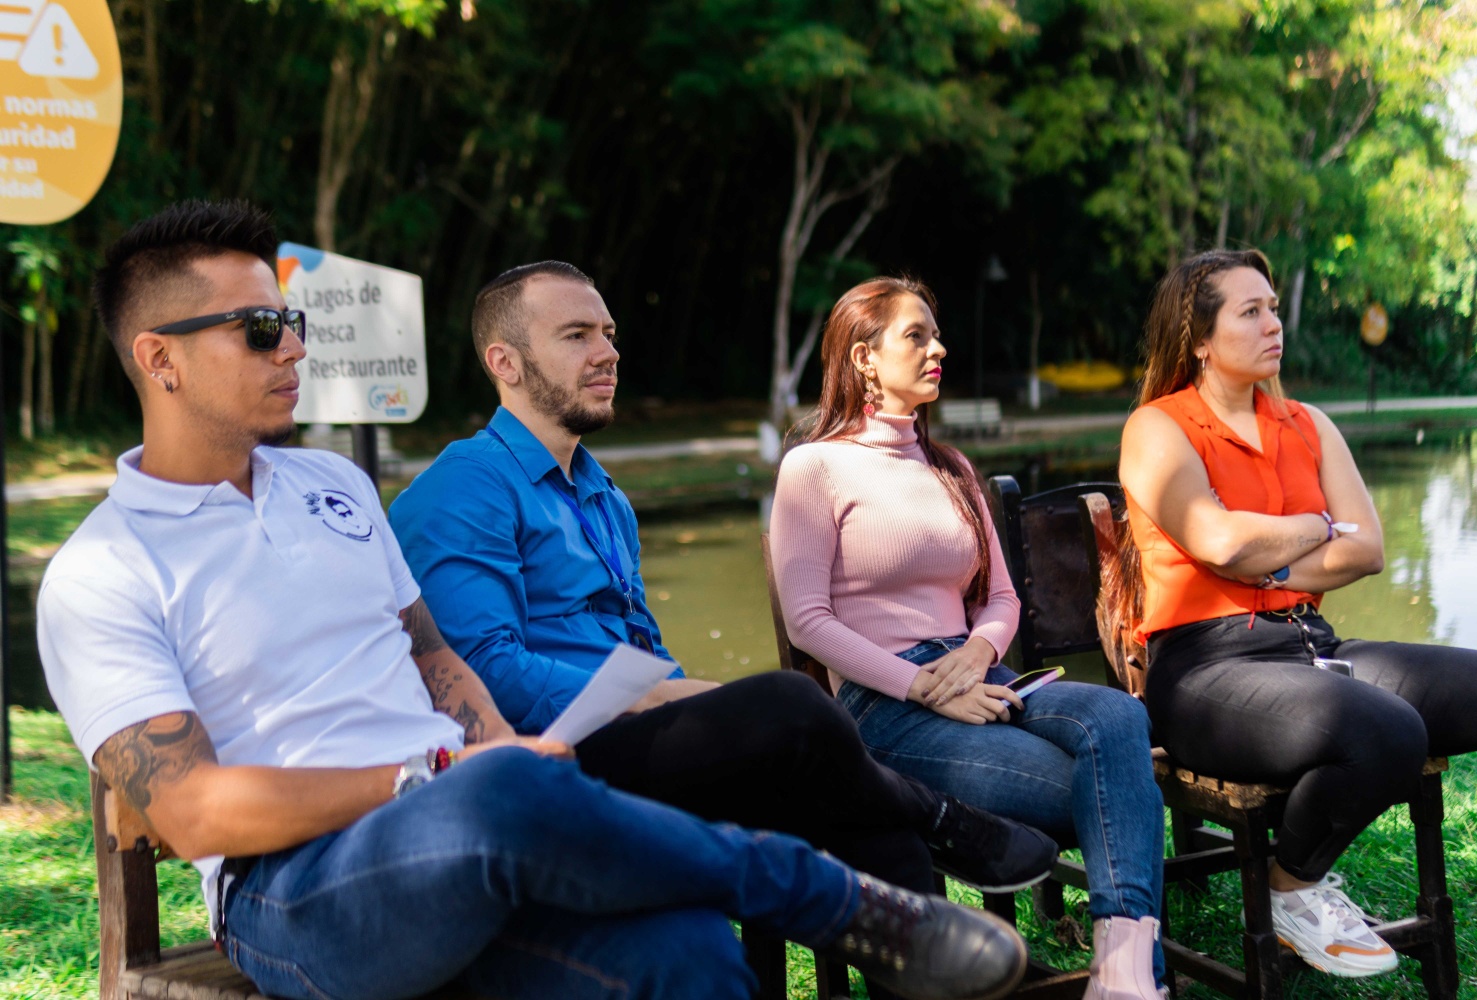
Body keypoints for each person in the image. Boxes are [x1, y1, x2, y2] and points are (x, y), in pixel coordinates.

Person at [36, 200, 1033, 1000]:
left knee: (686, 952)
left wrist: (498, 750)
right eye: (260, 331)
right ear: (159, 358)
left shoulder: (334, 488)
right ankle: (835, 902)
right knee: (532, 783)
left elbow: (434, 654)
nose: (293, 349)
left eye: (291, 324)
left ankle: (881, 899)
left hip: (475, 820)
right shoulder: (104, 571)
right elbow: (191, 811)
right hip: (295, 888)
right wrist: (436, 774)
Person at [388, 262, 1059, 920]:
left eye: (609, 333)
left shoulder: (603, 496)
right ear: (504, 362)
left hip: (639, 736)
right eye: (577, 335)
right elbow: (483, 667)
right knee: (793, 700)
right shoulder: (464, 486)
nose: (608, 353)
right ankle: (943, 816)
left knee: (873, 826)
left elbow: (647, 652)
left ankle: (941, 921)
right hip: (551, 755)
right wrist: (654, 696)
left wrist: (689, 697)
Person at [768, 276, 1169, 1000]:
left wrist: (976, 655)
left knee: (1119, 717)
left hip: (977, 674)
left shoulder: (950, 467)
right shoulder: (814, 467)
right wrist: (924, 686)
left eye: (936, 334)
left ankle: (1124, 966)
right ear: (863, 358)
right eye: (916, 336)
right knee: (1100, 788)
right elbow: (808, 620)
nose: (938, 349)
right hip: (884, 703)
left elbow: (1001, 599)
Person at [1115, 248, 1477, 979]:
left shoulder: (1308, 424)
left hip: (1311, 647)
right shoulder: (1158, 428)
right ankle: (1291, 887)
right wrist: (1319, 525)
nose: (1274, 324)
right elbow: (1220, 541)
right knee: (1388, 730)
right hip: (1203, 669)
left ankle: (1298, 879)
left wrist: (1274, 561)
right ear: (1200, 339)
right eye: (1251, 311)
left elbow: (1369, 549)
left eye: (1274, 308)